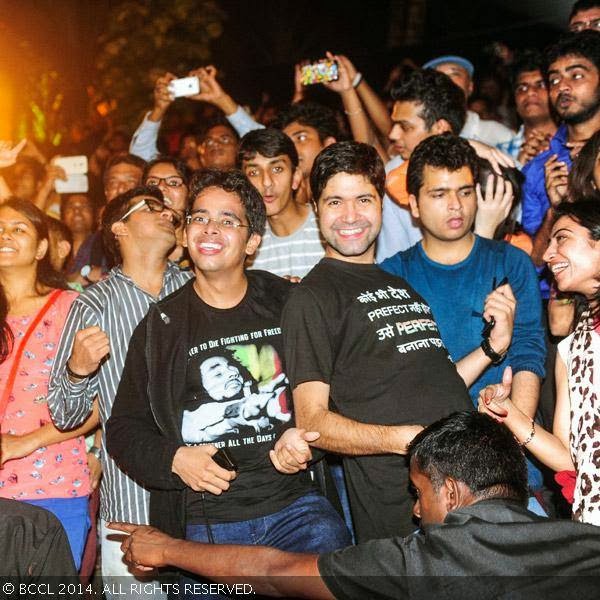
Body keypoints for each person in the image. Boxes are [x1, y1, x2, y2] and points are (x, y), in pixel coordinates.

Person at [105, 169, 350, 598]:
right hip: (202, 524)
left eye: (227, 220)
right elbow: (124, 429)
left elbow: (341, 387)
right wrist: (175, 458)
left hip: (296, 510)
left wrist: (311, 438)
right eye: (199, 218)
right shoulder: (160, 326)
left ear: (253, 241)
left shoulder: (290, 302)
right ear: (185, 233)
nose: (210, 229)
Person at [109, 411, 600, 600]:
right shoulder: (587, 544)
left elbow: (275, 570)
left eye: (418, 493)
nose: (415, 511)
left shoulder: (426, 560)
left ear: (449, 492)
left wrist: (168, 548)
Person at [281, 141, 475, 542]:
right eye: (335, 202)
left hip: (469, 492)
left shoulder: (399, 284)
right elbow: (313, 422)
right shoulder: (312, 296)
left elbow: (427, 382)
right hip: (403, 515)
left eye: (364, 199)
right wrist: (404, 440)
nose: (351, 216)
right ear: (315, 209)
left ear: (383, 205)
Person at [47, 186, 190, 599]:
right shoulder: (94, 304)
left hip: (204, 500)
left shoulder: (196, 290)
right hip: (133, 505)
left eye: (170, 209)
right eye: (153, 208)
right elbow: (65, 413)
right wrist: (77, 370)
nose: (169, 214)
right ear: (119, 229)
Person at [480, 199, 600, 526]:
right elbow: (568, 458)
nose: (547, 255)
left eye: (561, 238)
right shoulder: (573, 347)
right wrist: (509, 412)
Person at [0, 198, 99, 570]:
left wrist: (22, 443)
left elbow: (98, 405)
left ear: (42, 248)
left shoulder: (70, 308)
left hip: (51, 485)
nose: (5, 235)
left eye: (18, 229)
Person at [522, 30, 600, 269]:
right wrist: (557, 211)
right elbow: (535, 265)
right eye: (554, 80)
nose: (562, 86)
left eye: (576, 75)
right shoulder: (539, 168)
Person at [239, 128, 325, 278]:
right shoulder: (245, 244)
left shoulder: (328, 224)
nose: (267, 182)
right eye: (254, 172)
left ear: (296, 177)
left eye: (277, 169)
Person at [422, 55, 515, 147]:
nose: (445, 81)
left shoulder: (497, 135)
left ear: (470, 86)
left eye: (454, 74)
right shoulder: (417, 134)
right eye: (438, 76)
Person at [497, 51, 557, 165]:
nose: (530, 92)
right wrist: (519, 169)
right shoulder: (500, 155)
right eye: (522, 88)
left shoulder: (574, 145)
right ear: (514, 99)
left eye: (540, 85)